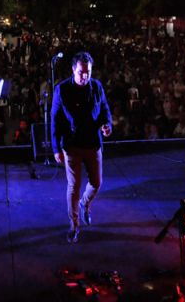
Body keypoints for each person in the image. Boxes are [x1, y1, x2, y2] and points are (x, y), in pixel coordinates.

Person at [51, 52, 112, 243]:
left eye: (88, 72)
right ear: (73, 70)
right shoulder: (61, 90)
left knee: (96, 183)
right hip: (72, 145)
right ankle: (74, 225)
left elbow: (104, 109)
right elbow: (55, 120)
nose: (85, 76)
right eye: (81, 72)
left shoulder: (97, 86)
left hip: (93, 143)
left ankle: (85, 203)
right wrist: (55, 148)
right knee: (73, 186)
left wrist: (107, 124)